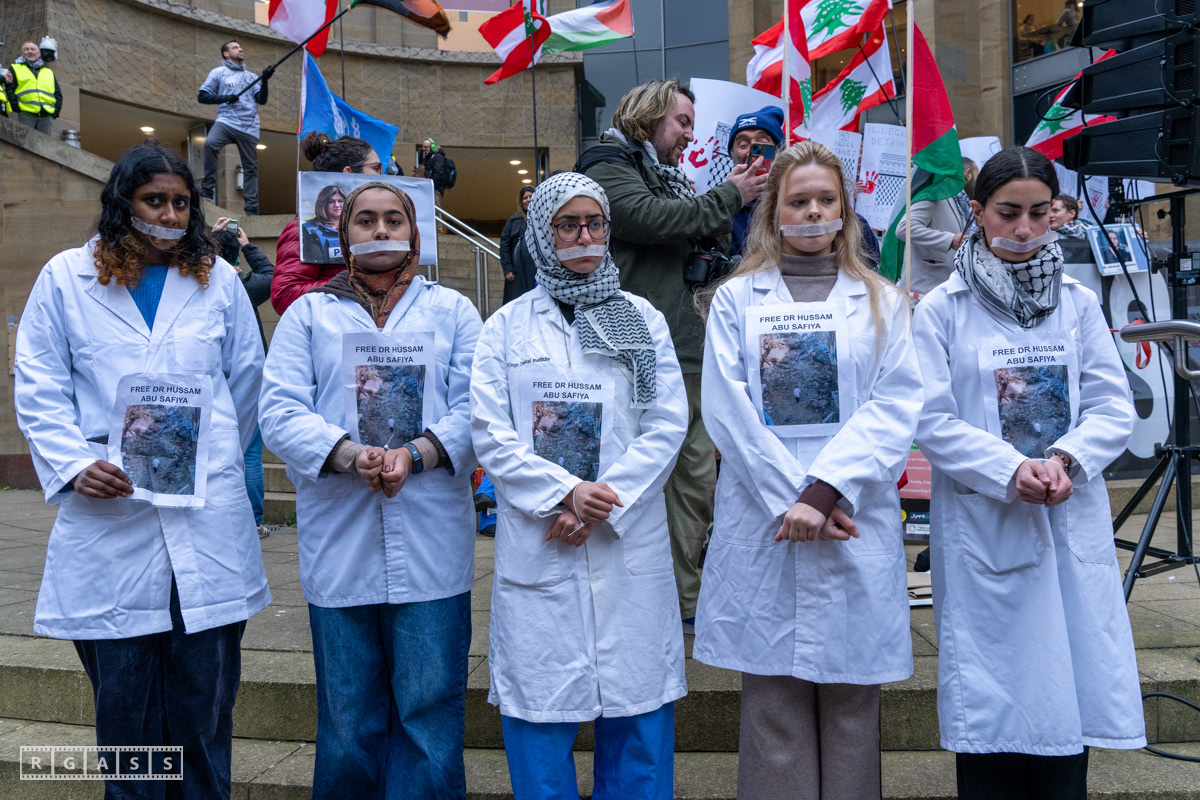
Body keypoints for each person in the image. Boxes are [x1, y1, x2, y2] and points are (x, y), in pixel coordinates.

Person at [13, 141, 268, 800]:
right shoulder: (66, 278)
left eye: (182, 202)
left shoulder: (218, 281)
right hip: (111, 519)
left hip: (205, 521)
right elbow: (38, 384)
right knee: (128, 723)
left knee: (203, 712)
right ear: (123, 202)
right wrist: (76, 464)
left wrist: (205, 459)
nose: (171, 214)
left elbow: (245, 384)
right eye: (155, 200)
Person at [912, 146, 1145, 800]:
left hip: (1067, 514)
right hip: (987, 523)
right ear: (978, 211)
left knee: (1066, 707)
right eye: (1007, 212)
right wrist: (1011, 469)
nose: (1023, 229)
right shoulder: (943, 308)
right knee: (996, 713)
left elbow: (1111, 405)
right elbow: (930, 417)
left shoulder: (1077, 303)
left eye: (1039, 214)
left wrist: (1065, 460)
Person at [693, 141, 921, 800]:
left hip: (849, 516)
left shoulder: (882, 301)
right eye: (799, 201)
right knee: (774, 711)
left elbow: (894, 405)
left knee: (852, 712)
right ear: (774, 211)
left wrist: (823, 494)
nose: (814, 211)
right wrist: (792, 499)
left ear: (845, 209)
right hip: (766, 519)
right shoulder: (736, 301)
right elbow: (727, 410)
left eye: (826, 199)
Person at [259, 181, 481, 800]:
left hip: (432, 534)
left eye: (392, 219)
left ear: (413, 230)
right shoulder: (309, 314)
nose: (380, 230)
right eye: (365, 220)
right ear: (343, 233)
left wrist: (418, 454)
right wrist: (349, 455)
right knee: (348, 717)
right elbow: (278, 410)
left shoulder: (452, 311)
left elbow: (479, 409)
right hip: (341, 536)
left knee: (428, 714)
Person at [471, 172, 688, 800]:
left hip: (624, 537)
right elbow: (491, 433)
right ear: (543, 234)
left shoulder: (642, 320)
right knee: (540, 716)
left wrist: (600, 501)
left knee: (638, 713)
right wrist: (564, 494)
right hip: (545, 540)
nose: (584, 236)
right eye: (568, 225)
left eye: (594, 223)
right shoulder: (505, 328)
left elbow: (666, 423)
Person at [578, 78, 768, 632]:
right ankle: (636, 594)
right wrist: (730, 195)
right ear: (648, 115)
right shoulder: (607, 164)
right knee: (644, 474)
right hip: (636, 346)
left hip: (685, 343)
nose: (689, 134)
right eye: (682, 121)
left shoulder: (668, 176)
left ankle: (684, 598)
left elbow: (695, 236)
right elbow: (647, 218)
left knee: (694, 477)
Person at [271, 132, 382, 314]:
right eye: (376, 168)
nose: (383, 176)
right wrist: (357, 284)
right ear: (349, 174)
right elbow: (285, 295)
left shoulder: (375, 226)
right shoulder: (304, 230)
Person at [211, 217, 274, 538]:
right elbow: (272, 275)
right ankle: (253, 521)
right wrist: (247, 245)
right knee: (249, 452)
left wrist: (211, 239)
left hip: (212, 377)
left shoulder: (203, 283)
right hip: (249, 377)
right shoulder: (245, 285)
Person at [198, 40, 274, 215]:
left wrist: (265, 81)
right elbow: (202, 96)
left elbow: (261, 100)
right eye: (235, 47)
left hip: (248, 126)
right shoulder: (218, 73)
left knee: (250, 167)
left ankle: (251, 208)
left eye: (240, 47)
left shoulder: (251, 76)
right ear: (226, 54)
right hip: (226, 121)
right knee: (210, 144)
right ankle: (208, 190)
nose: (240, 49)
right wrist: (226, 98)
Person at [895, 157, 979, 299]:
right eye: (977, 175)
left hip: (945, 295)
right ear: (968, 173)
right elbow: (904, 228)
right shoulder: (934, 195)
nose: (978, 181)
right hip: (921, 296)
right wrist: (950, 240)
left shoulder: (961, 203)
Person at [728, 105, 785, 256]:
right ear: (733, 155)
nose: (752, 151)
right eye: (743, 145)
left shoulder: (794, 199)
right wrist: (729, 198)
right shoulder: (721, 206)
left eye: (762, 142)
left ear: (779, 151)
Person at [6, 39, 62, 134]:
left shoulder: (48, 72)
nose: (30, 51)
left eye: (32, 49)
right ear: (22, 53)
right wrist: (16, 107)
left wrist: (55, 112)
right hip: (26, 113)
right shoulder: (15, 68)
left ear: (38, 53)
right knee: (25, 140)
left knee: (44, 142)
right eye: (26, 49)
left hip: (47, 114)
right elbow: (9, 89)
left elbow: (58, 94)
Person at [500, 185, 536, 304]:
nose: (528, 200)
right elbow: (504, 246)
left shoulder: (541, 219)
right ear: (521, 201)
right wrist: (507, 269)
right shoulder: (513, 220)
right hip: (517, 272)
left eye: (531, 196)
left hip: (536, 271)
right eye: (525, 198)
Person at [302, 185, 348, 261]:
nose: (337, 205)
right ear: (323, 205)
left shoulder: (355, 227)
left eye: (340, 201)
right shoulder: (310, 230)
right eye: (331, 201)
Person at [417, 138, 451, 206]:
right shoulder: (427, 158)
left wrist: (430, 184)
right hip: (428, 187)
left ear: (432, 147)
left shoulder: (438, 157)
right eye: (423, 147)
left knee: (435, 207)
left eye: (426, 147)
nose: (424, 149)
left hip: (435, 189)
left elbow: (438, 174)